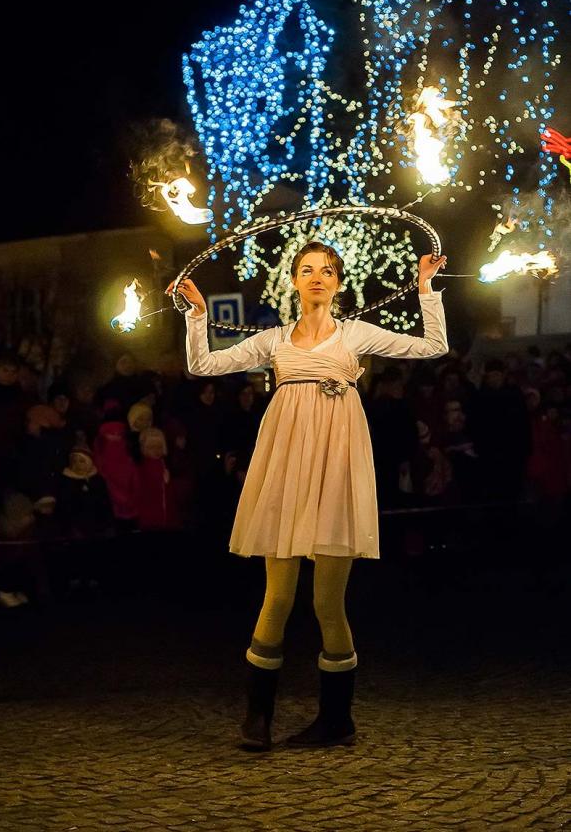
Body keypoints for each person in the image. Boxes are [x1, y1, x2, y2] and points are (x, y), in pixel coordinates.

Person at [168, 241, 448, 751]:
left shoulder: (355, 334)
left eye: (326, 270)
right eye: (306, 270)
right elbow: (202, 366)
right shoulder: (273, 340)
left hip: (336, 466)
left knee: (327, 602)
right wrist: (198, 315)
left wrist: (427, 289)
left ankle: (337, 721)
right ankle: (258, 719)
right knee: (277, 595)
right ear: (294, 281)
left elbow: (433, 347)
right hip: (285, 466)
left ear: (338, 282)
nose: (316, 277)